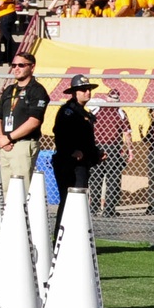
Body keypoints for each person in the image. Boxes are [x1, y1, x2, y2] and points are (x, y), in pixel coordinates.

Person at [0, 51, 50, 195]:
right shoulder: (9, 90)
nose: (16, 68)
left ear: (32, 67)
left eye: (21, 65)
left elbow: (34, 121)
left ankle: (22, 218)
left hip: (22, 144)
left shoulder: (37, 90)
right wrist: (1, 138)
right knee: (5, 190)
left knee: (20, 190)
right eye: (14, 65)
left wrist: (9, 137)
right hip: (5, 145)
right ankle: (8, 217)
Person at [51, 77, 101, 223]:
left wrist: (96, 153)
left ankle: (74, 239)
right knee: (69, 200)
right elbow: (60, 134)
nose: (87, 92)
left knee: (79, 200)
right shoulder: (68, 111)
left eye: (89, 89)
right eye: (83, 90)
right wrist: (71, 151)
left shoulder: (84, 113)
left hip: (82, 164)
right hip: (69, 164)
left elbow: (85, 141)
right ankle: (61, 238)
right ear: (74, 93)